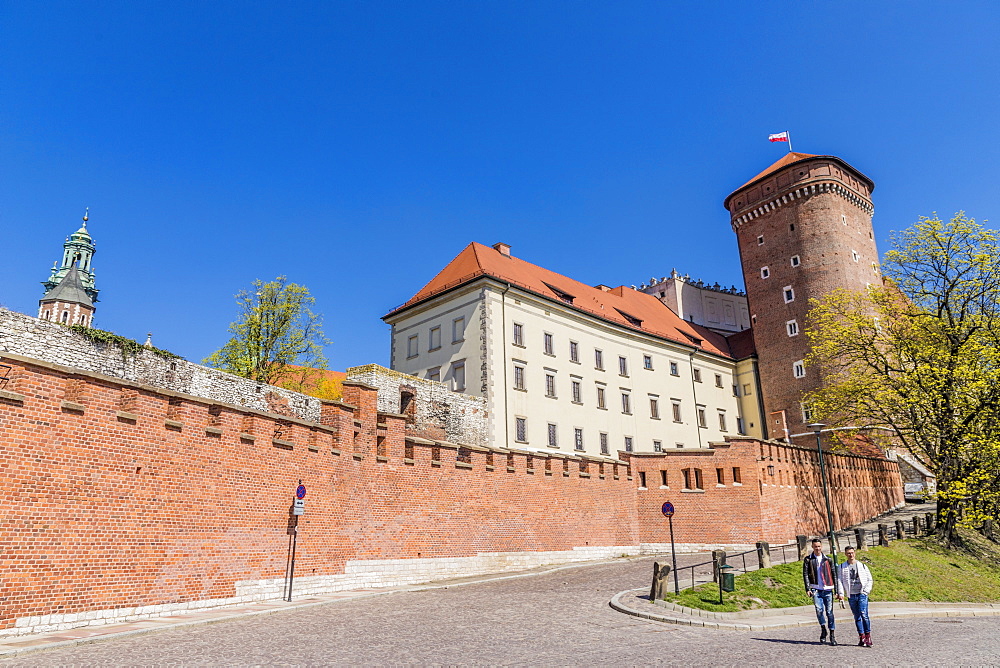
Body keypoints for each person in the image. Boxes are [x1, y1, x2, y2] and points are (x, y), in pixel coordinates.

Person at [802, 537, 838, 645]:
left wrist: (836, 589)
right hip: (816, 589)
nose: (817, 548)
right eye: (815, 546)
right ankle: (823, 628)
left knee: (830, 612)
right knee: (819, 610)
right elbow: (805, 574)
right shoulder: (808, 559)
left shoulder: (828, 559)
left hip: (827, 589)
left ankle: (832, 634)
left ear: (821, 547)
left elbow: (834, 574)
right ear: (812, 547)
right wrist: (808, 588)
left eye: (819, 546)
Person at [837, 545, 874, 647]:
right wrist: (841, 593)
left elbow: (869, 579)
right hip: (851, 595)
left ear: (855, 553)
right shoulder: (842, 567)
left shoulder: (862, 566)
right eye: (848, 553)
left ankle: (868, 636)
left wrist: (866, 591)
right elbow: (839, 580)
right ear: (845, 554)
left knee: (864, 615)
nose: (851, 555)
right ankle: (861, 637)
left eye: (852, 553)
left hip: (861, 593)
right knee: (857, 616)